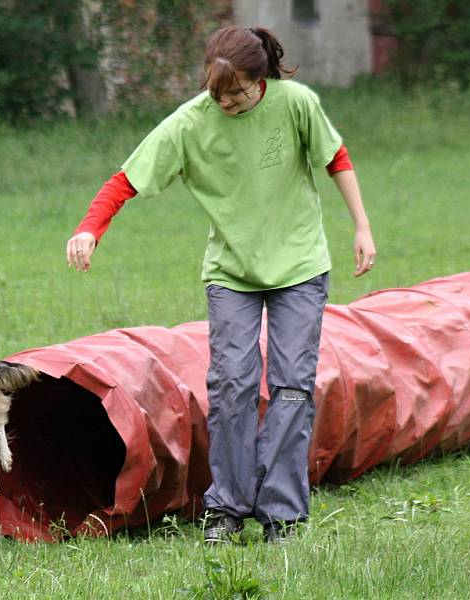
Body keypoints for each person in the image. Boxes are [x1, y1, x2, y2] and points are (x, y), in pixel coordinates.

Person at [66, 25, 375, 544]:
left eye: (238, 92)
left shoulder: (295, 104)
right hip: (232, 274)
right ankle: (227, 507)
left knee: (292, 387)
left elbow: (335, 158)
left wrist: (362, 227)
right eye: (217, 92)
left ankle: (282, 514)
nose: (227, 101)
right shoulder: (189, 124)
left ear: (262, 80)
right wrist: (89, 228)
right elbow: (126, 180)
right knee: (231, 386)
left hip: (299, 266)